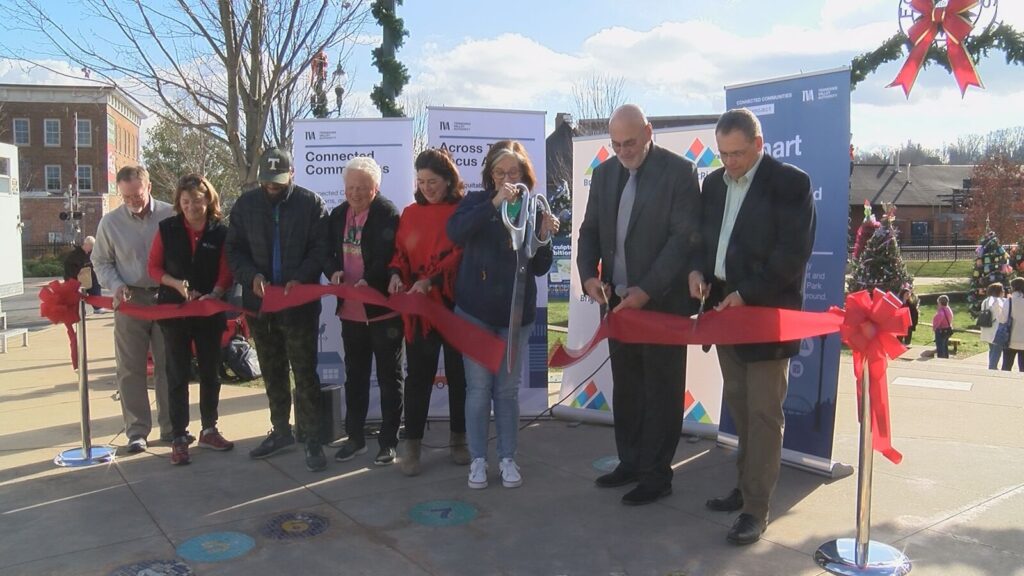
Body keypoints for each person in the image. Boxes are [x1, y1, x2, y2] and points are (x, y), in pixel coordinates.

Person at [689, 108, 816, 545]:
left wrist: (746, 294)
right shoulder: (713, 184)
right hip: (726, 313)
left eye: (738, 154)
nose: (730, 163)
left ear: (759, 145)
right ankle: (745, 488)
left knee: (763, 415)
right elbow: (704, 241)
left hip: (766, 317)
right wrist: (698, 273)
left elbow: (791, 256)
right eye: (723, 154)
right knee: (741, 409)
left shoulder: (790, 183)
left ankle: (756, 511)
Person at [577, 104, 701, 506]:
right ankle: (629, 462)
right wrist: (588, 276)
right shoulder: (604, 173)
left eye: (630, 142)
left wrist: (646, 290)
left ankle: (656, 475)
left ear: (649, 132)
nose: (623, 151)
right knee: (628, 388)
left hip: (661, 305)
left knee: (661, 392)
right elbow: (590, 231)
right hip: (616, 304)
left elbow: (682, 241)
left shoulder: (680, 173)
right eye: (615, 144)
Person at [447, 140, 558, 490]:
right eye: (500, 172)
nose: (508, 178)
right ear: (490, 175)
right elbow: (456, 233)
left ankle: (508, 457)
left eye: (514, 172)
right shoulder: (477, 202)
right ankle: (478, 460)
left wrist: (542, 236)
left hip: (515, 315)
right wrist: (495, 202)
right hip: (476, 312)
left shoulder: (535, 206)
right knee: (478, 389)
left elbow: (540, 267)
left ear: (526, 174)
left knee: (507, 392)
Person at [226, 147, 329, 472]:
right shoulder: (245, 205)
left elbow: (320, 248)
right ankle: (280, 430)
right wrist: (250, 276)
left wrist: (301, 278)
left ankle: (312, 439)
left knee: (304, 372)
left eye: (278, 182)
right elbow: (234, 250)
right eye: (267, 182)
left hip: (298, 304)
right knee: (271, 371)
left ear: (291, 175)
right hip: (260, 305)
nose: (272, 188)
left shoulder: (310, 203)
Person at [389, 148, 469, 476]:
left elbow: (461, 254)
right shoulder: (409, 213)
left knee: (458, 375)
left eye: (433, 181)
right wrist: (395, 274)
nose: (426, 187)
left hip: (453, 305)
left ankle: (459, 439)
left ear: (449, 180)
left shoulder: (463, 211)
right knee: (417, 377)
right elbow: (399, 253)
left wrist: (431, 280)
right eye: (421, 181)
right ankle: (412, 444)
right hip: (420, 311)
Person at [148, 174, 235, 465]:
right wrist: (175, 284)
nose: (191, 207)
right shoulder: (167, 228)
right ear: (179, 203)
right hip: (175, 312)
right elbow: (153, 267)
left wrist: (217, 291)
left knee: (211, 372)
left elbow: (227, 269)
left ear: (208, 200)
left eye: (197, 202)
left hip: (209, 312)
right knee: (177, 373)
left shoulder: (220, 231)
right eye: (185, 202)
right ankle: (178, 436)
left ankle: (209, 428)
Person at [325, 157, 405, 467]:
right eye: (350, 188)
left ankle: (388, 442)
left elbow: (388, 256)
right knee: (355, 377)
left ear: (375, 188)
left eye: (362, 188)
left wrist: (367, 280)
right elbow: (325, 252)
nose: (355, 193)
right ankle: (355, 438)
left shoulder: (387, 214)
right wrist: (332, 271)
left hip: (382, 312)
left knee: (389, 378)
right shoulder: (337, 215)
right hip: (350, 313)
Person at [92, 166, 175, 453]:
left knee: (169, 366)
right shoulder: (110, 223)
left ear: (148, 186)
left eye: (137, 195)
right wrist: (115, 285)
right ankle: (137, 430)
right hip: (130, 300)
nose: (132, 202)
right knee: (130, 368)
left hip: (166, 299)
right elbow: (101, 261)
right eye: (126, 197)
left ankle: (172, 427)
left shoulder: (171, 214)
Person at [63, 236, 104, 312]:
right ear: (86, 244)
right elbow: (68, 268)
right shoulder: (74, 255)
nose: (91, 249)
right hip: (75, 278)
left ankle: (97, 307)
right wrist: (77, 274)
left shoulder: (91, 254)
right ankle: (80, 311)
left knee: (96, 286)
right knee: (77, 294)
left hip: (89, 277)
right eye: (91, 246)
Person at [979, 283, 1005, 370]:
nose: (1004, 292)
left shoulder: (986, 301)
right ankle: (992, 367)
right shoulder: (997, 302)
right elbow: (1001, 317)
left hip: (987, 328)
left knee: (992, 350)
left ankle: (991, 366)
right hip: (996, 329)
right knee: (996, 351)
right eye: (1002, 290)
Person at [1001, 278, 1024, 371]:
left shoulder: (1009, 301)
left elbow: (1002, 319)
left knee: (1006, 366)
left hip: (1010, 338)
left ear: (1013, 288)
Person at [933, 294, 954, 359]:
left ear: (940, 302)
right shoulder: (948, 309)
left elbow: (937, 322)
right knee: (945, 346)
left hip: (941, 331)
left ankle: (941, 359)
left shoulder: (941, 312)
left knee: (940, 347)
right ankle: (946, 358)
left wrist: (934, 328)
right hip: (947, 329)